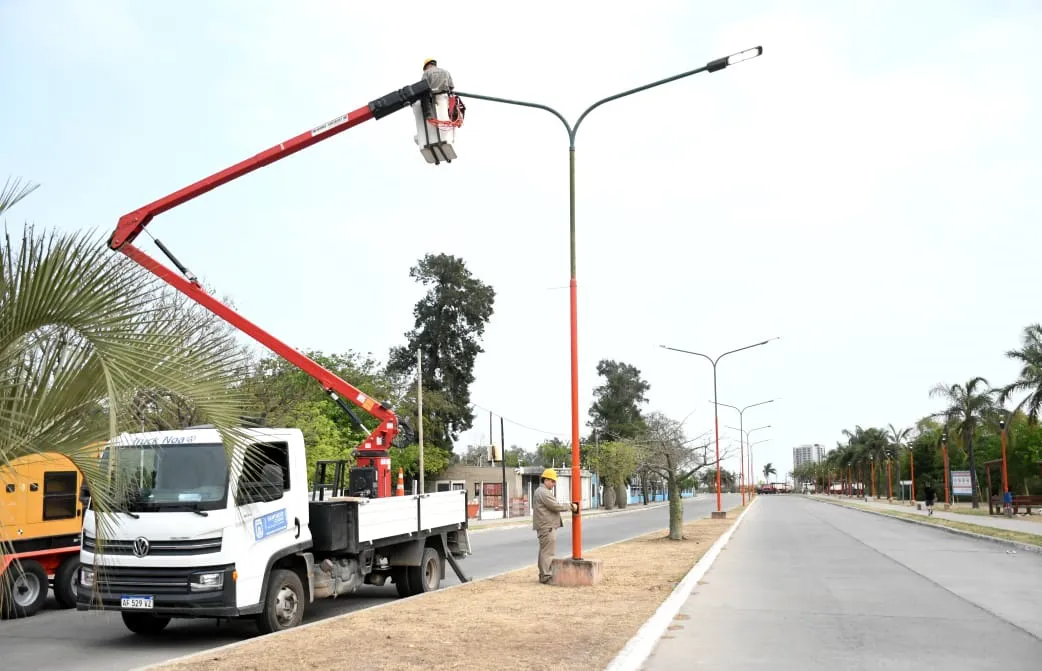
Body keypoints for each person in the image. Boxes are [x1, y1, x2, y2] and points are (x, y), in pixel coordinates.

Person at [533, 468, 579, 584]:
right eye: (552, 481)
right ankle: (546, 576)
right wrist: (571, 506)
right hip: (547, 526)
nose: (554, 484)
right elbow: (556, 506)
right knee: (548, 553)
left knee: (544, 551)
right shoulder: (543, 492)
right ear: (546, 480)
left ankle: (543, 575)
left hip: (545, 526)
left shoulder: (540, 491)